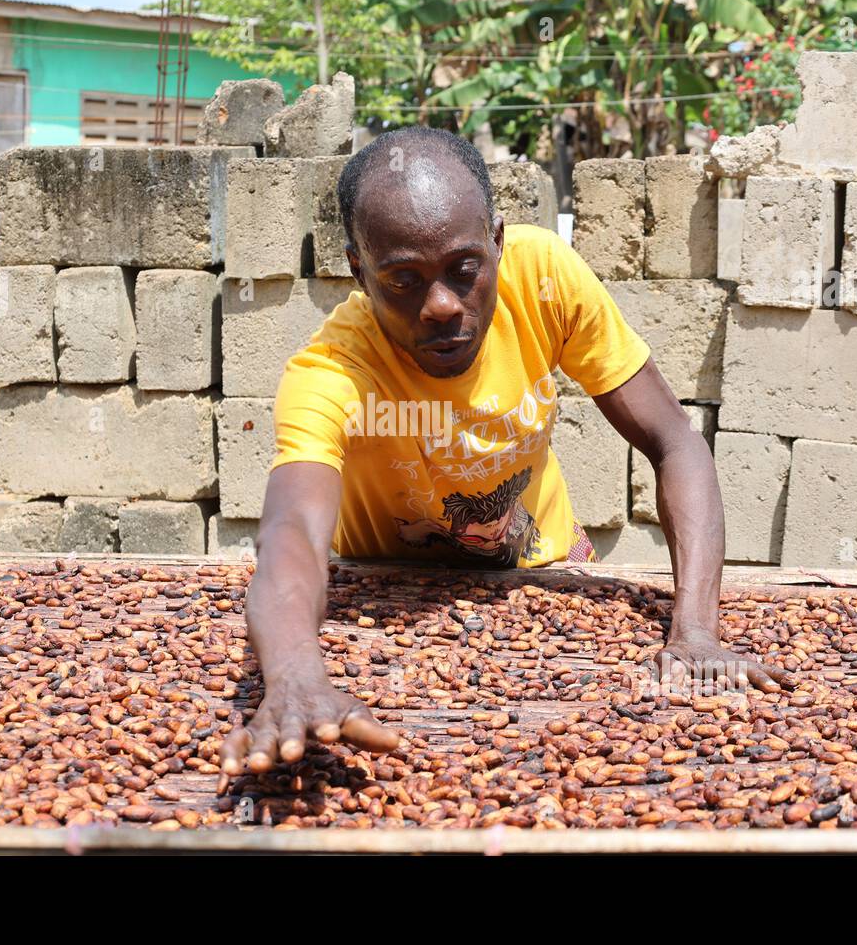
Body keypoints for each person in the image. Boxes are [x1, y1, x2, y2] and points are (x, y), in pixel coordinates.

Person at [218, 127, 791, 781]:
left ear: (497, 241)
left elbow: (676, 443)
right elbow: (291, 531)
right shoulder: (330, 371)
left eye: (465, 270)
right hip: (388, 602)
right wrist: (293, 674)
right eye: (403, 279)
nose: (440, 306)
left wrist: (694, 630)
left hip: (547, 571)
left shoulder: (545, 277)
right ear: (357, 271)